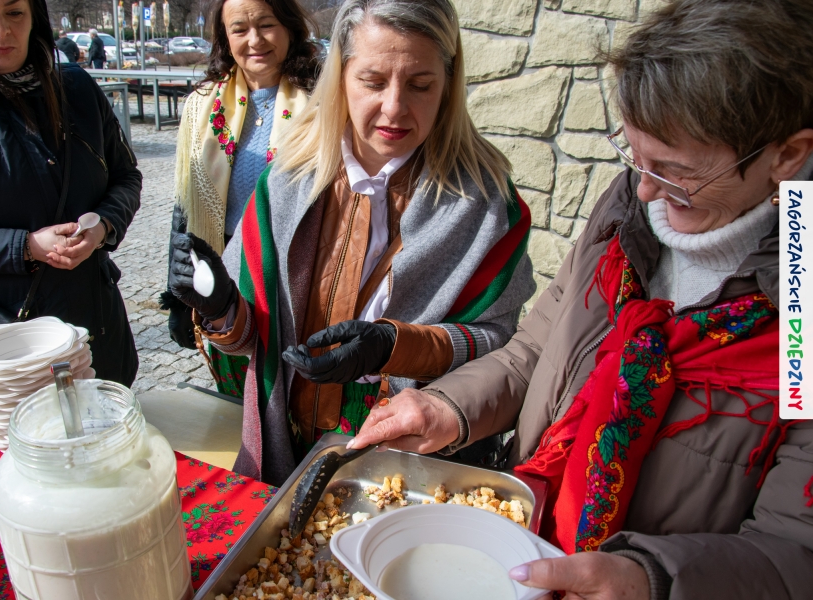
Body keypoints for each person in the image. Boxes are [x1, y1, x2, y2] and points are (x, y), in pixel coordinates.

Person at [348, 0, 813, 597]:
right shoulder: (626, 212)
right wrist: (447, 407)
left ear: (786, 157)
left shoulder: (799, 311)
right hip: (528, 545)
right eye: (635, 156)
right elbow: (536, 351)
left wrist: (652, 580)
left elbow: (795, 547)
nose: (645, 190)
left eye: (673, 171)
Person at [170, 0, 535, 485]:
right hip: (291, 450)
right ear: (340, 76)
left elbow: (498, 343)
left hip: (415, 461)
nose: (395, 107)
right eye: (373, 81)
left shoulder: (486, 205)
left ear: (448, 85)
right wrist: (220, 308)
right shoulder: (287, 182)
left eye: (420, 84)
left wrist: (397, 347)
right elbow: (249, 345)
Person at [0, 0, 141, 385]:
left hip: (97, 324)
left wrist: (103, 226)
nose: (0, 29)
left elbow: (126, 176)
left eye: (14, 12)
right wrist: (25, 247)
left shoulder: (77, 88)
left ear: (34, 14)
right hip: (9, 345)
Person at [163, 0, 320, 398]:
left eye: (266, 25)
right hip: (223, 278)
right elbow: (186, 204)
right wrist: (178, 294)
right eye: (239, 29)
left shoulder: (324, 100)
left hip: (297, 277)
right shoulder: (202, 105)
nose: (254, 40)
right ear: (224, 37)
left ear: (289, 28)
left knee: (295, 394)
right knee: (236, 393)